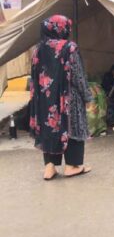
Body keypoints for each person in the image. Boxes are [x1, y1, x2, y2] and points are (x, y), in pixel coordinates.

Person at [30, 15, 93, 180]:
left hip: (45, 99)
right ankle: (72, 166)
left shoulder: (38, 49)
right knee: (72, 127)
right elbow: (78, 76)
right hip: (68, 98)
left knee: (50, 128)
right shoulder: (70, 48)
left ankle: (50, 167)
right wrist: (87, 96)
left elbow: (34, 77)